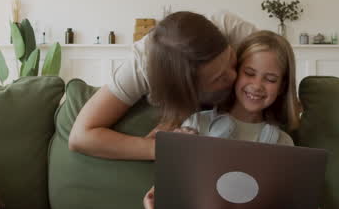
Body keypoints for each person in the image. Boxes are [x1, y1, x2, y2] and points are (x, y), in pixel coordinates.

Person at [142, 30, 326, 209]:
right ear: (233, 74)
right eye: (249, 73)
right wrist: (156, 199)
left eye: (270, 78)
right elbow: (171, 182)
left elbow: (294, 198)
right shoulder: (197, 123)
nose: (257, 85)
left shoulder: (282, 141)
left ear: (282, 86)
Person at [68, 10, 257, 160]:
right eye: (219, 78)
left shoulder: (233, 30)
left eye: (233, 61)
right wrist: (161, 147)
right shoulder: (142, 65)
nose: (234, 77)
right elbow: (81, 136)